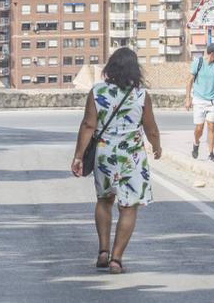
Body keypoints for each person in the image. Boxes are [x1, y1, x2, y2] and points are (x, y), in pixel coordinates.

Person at [70, 47, 162, 274]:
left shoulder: (98, 91)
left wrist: (78, 156)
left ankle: (103, 250)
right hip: (131, 157)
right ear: (135, 69)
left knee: (104, 200)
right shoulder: (141, 95)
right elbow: (150, 128)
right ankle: (116, 259)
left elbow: (88, 125)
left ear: (110, 67)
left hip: (104, 154)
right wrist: (157, 147)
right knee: (128, 207)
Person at [184, 43, 214, 161]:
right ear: (212, 54)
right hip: (198, 100)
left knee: (212, 126)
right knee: (199, 128)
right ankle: (196, 143)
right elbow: (189, 81)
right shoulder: (198, 62)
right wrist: (188, 99)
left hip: (213, 101)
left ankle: (210, 153)